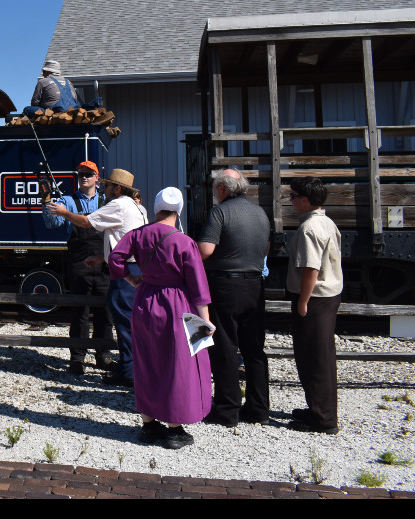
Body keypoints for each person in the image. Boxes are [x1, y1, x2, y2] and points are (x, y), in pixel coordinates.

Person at [109, 187, 214, 450]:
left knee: (147, 362)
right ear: (178, 211)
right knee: (176, 364)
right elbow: (198, 287)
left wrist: (131, 278)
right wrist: (206, 321)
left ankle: (148, 425)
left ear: (156, 209)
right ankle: (175, 430)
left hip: (145, 301)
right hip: (176, 304)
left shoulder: (138, 234)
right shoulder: (184, 241)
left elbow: (115, 257)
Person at [47, 168, 146, 385]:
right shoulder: (136, 207)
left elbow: (86, 223)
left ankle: (122, 368)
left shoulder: (117, 204)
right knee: (84, 312)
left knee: (114, 317)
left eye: (109, 185)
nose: (106, 188)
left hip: (123, 270)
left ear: (117, 189)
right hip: (102, 264)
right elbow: (124, 241)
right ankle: (82, 358)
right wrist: (103, 257)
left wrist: (64, 213)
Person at [197, 169, 271, 427]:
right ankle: (259, 409)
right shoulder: (260, 213)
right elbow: (266, 248)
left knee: (225, 347)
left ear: (222, 189)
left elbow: (206, 250)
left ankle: (227, 410)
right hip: (255, 284)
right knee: (254, 349)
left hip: (226, 284)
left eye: (216, 187)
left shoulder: (220, 212)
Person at [41, 160, 114, 376]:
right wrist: (48, 204)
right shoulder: (67, 201)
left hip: (103, 263)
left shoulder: (107, 201)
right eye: (81, 174)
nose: (84, 177)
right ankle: (77, 358)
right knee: (79, 313)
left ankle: (104, 356)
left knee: (104, 312)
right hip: (78, 263)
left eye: (89, 174)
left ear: (97, 178)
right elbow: (51, 224)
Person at [286, 176, 343, 435]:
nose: (291, 201)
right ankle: (319, 409)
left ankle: (323, 418)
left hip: (316, 297)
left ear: (305, 200)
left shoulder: (309, 228)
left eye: (293, 196)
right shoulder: (326, 222)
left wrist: (303, 301)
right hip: (329, 295)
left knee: (313, 357)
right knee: (322, 355)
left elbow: (311, 268)